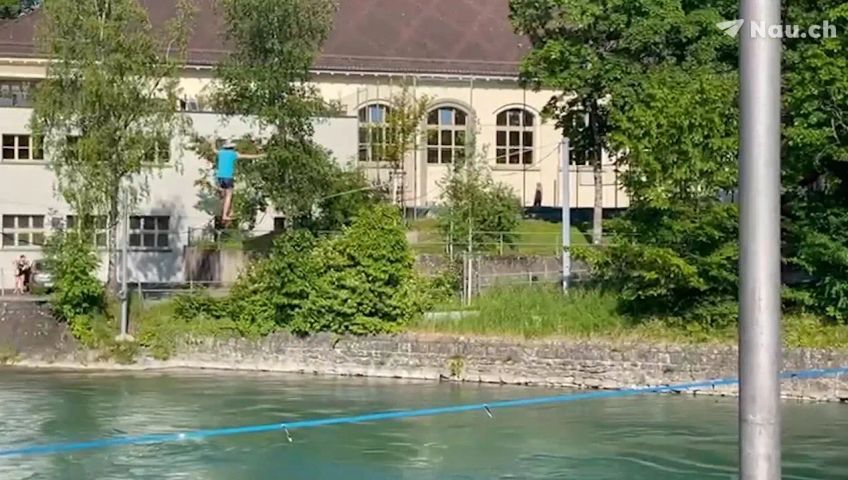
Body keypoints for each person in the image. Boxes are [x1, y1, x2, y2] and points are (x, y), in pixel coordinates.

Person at [216, 140, 263, 223]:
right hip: (228, 177)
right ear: (232, 148)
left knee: (224, 195)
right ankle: (225, 215)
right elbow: (247, 156)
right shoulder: (233, 154)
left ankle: (228, 212)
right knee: (229, 195)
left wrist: (212, 142)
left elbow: (214, 150)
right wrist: (260, 155)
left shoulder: (221, 152)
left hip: (220, 177)